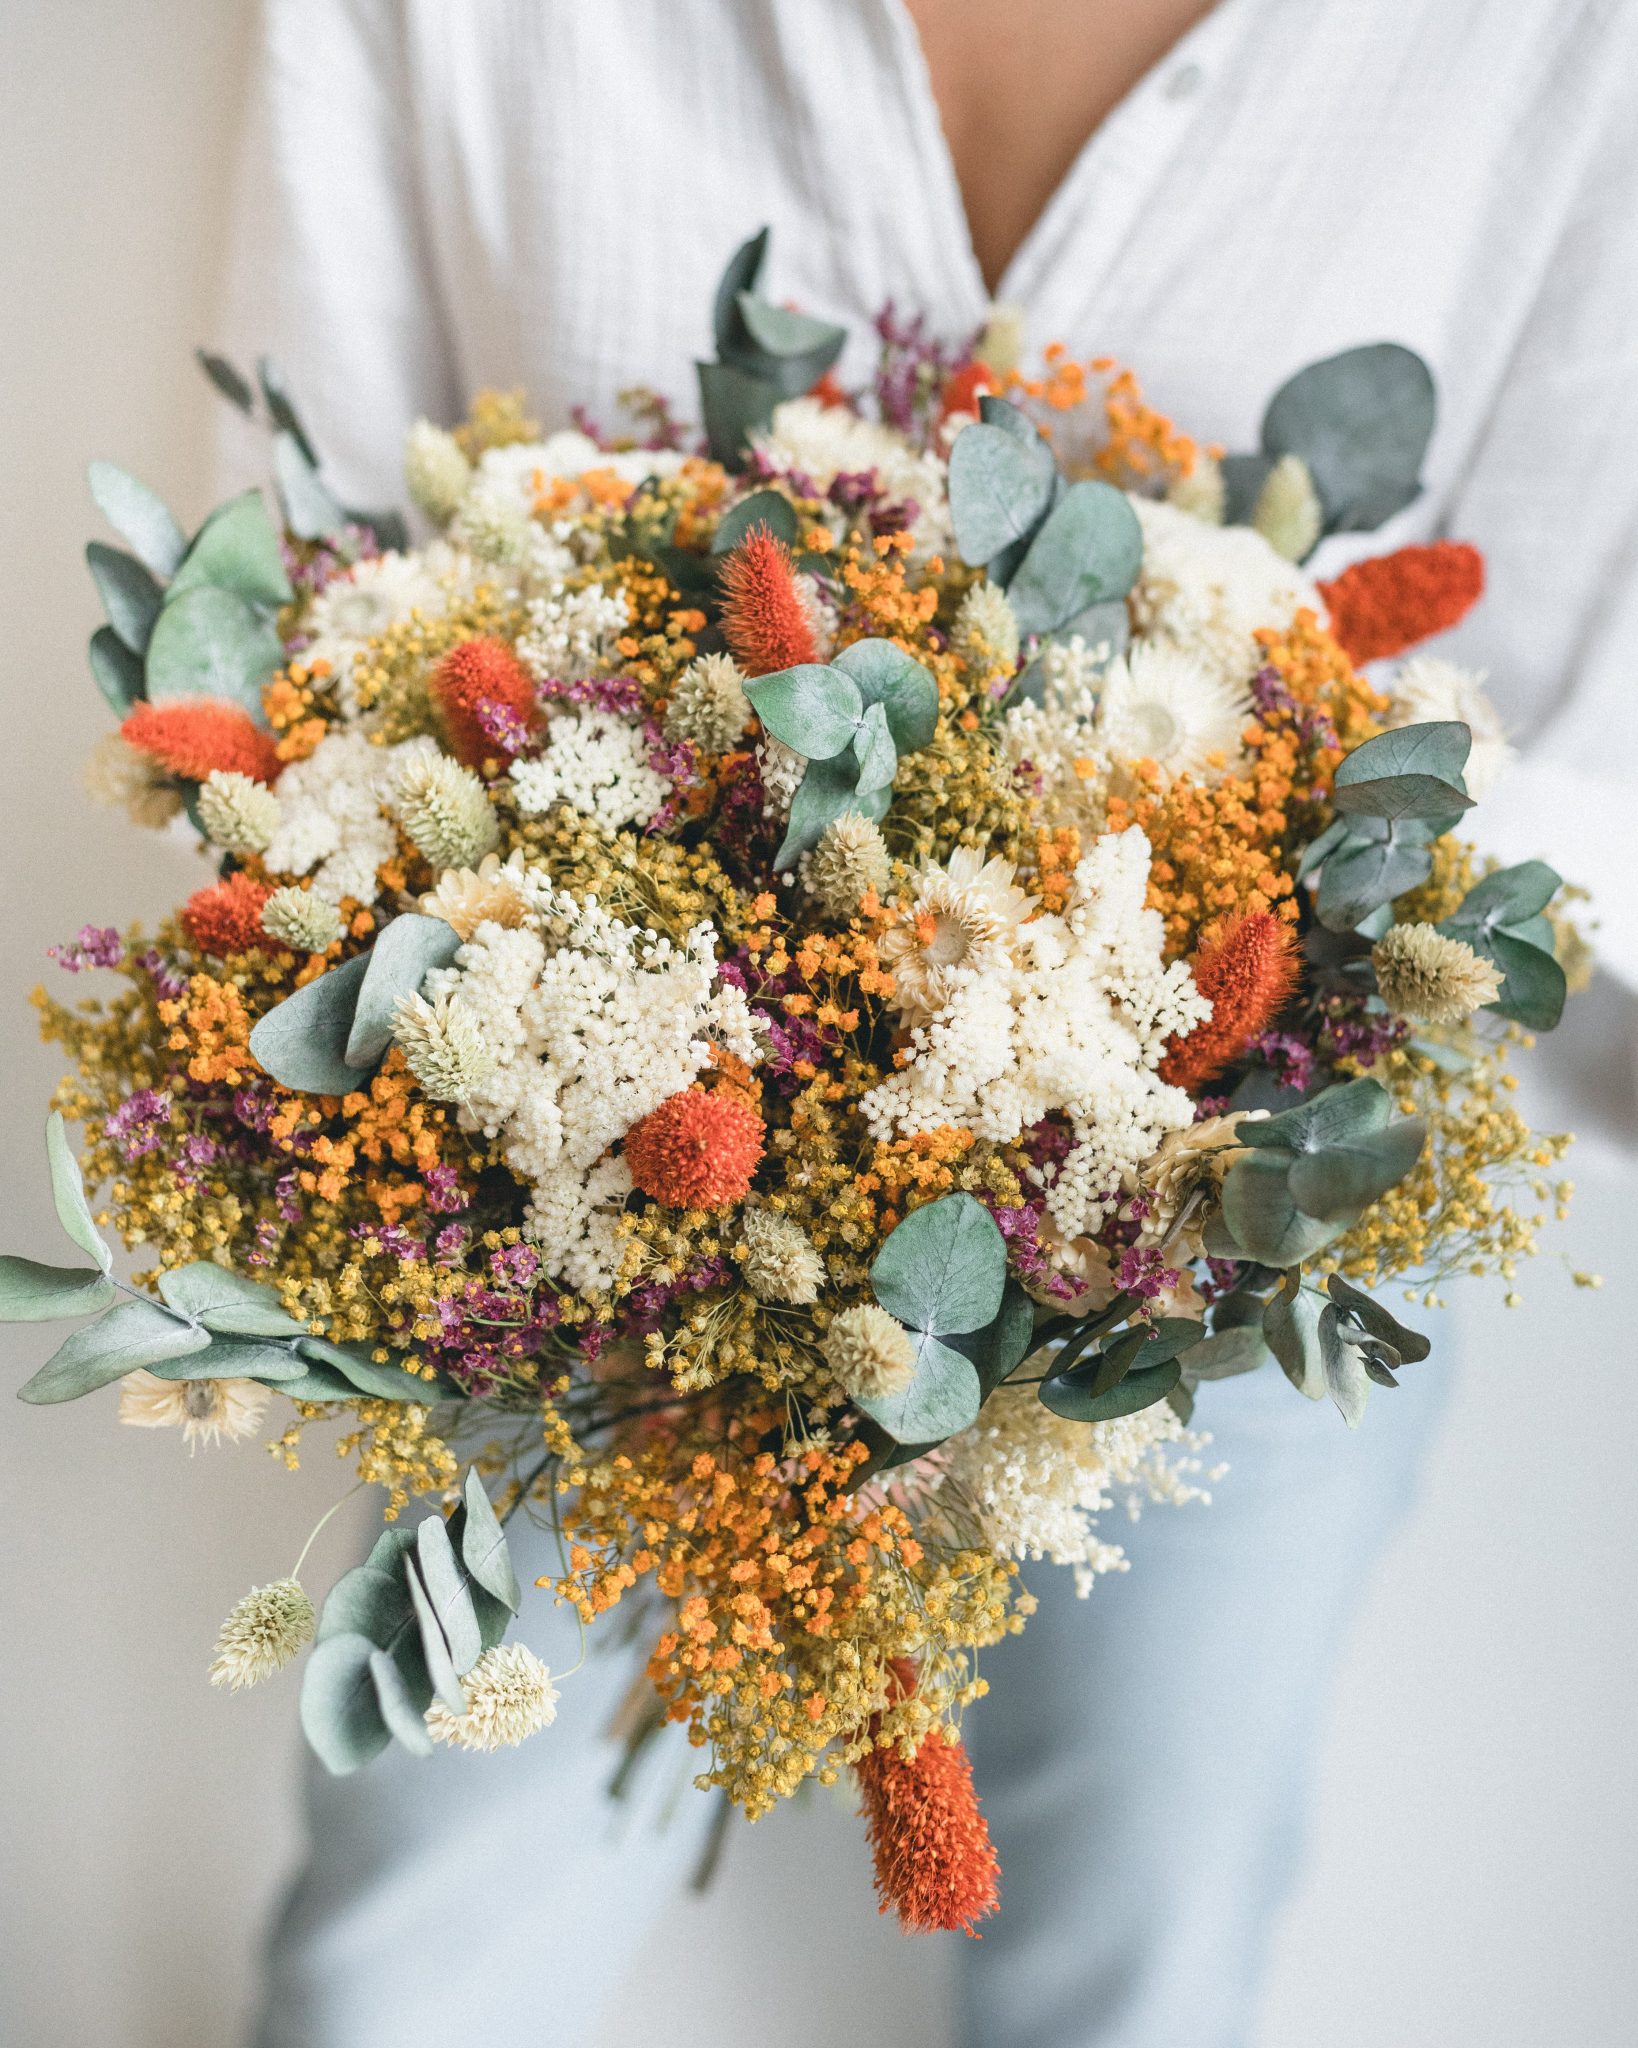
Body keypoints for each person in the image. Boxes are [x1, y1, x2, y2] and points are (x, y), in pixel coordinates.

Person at [221, 3, 1638, 2043]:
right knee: (402, 1966)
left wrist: (1188, 1037)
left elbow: (1573, 744)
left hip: (1241, 1237)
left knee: (1131, 1974)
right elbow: (303, 581)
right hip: (571, 1209)